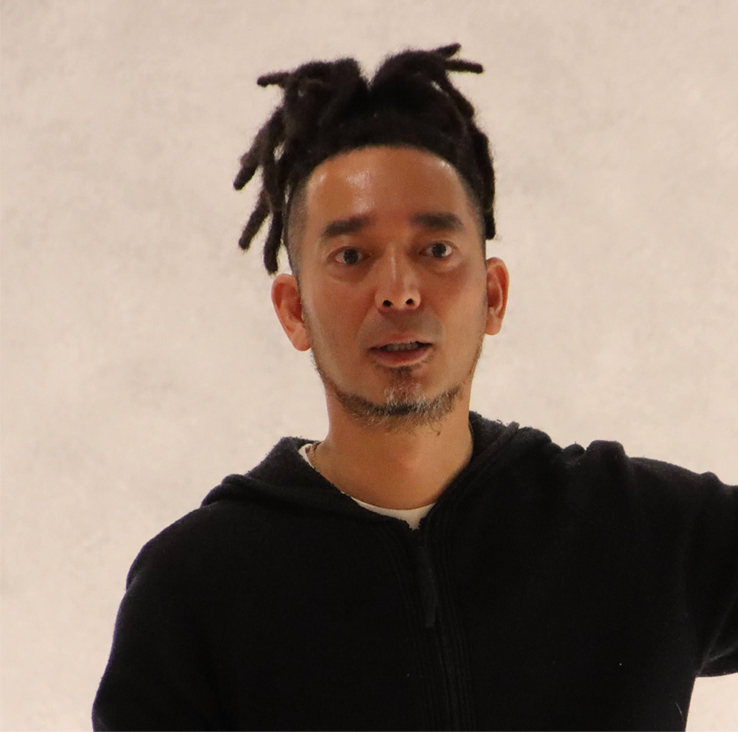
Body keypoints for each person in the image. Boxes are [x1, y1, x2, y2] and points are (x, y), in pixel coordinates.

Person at [92, 43, 738, 731]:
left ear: (492, 295)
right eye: (351, 255)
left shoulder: (642, 533)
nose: (399, 291)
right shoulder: (193, 592)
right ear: (293, 309)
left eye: (436, 250)